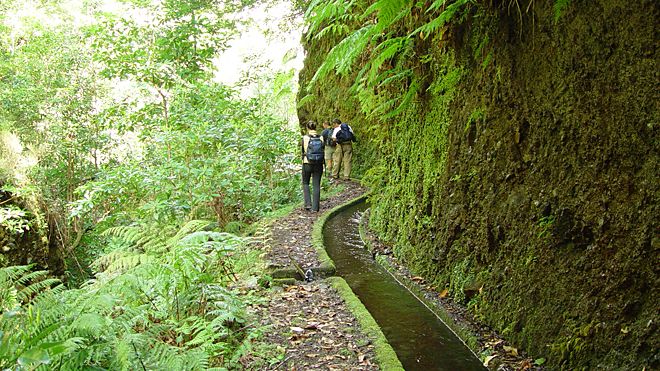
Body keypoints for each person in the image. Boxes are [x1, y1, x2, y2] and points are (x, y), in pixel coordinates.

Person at [301, 120, 324, 211]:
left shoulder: (305, 137)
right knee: (316, 184)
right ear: (315, 127)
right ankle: (315, 208)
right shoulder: (321, 137)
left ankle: (308, 204)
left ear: (307, 128)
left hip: (307, 163)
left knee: (305, 182)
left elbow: (303, 150)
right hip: (318, 163)